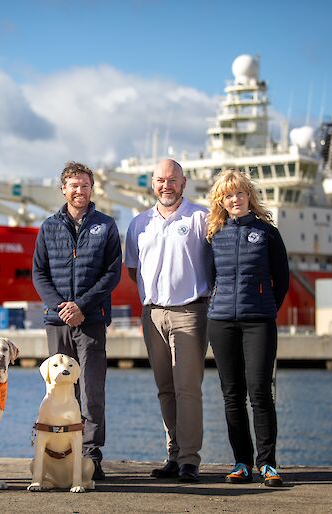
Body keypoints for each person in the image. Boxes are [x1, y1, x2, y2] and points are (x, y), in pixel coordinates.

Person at [32, 161, 122, 481]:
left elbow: (112, 273)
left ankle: (90, 455)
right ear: (63, 189)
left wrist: (81, 306)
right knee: (58, 389)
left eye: (85, 185)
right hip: (57, 322)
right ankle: (58, 451)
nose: (79, 190)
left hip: (92, 319)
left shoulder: (106, 226)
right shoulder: (48, 227)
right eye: (73, 185)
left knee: (92, 390)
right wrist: (62, 307)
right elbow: (39, 273)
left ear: (91, 188)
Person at [125, 159, 212, 483]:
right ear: (152, 183)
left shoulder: (201, 216)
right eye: (161, 180)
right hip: (153, 314)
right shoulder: (139, 223)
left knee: (188, 388)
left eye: (173, 180)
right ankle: (173, 455)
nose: (167, 185)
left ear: (184, 182)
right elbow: (135, 269)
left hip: (190, 311)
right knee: (165, 389)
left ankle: (190, 460)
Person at [206, 168, 289, 487]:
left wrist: (265, 307)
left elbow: (281, 280)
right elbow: (211, 276)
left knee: (260, 392)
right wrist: (219, 304)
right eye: (228, 195)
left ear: (248, 196)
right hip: (222, 321)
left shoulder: (267, 232)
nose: (235, 199)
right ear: (221, 201)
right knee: (232, 394)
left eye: (240, 193)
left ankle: (267, 463)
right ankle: (241, 462)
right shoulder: (214, 233)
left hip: (259, 321)